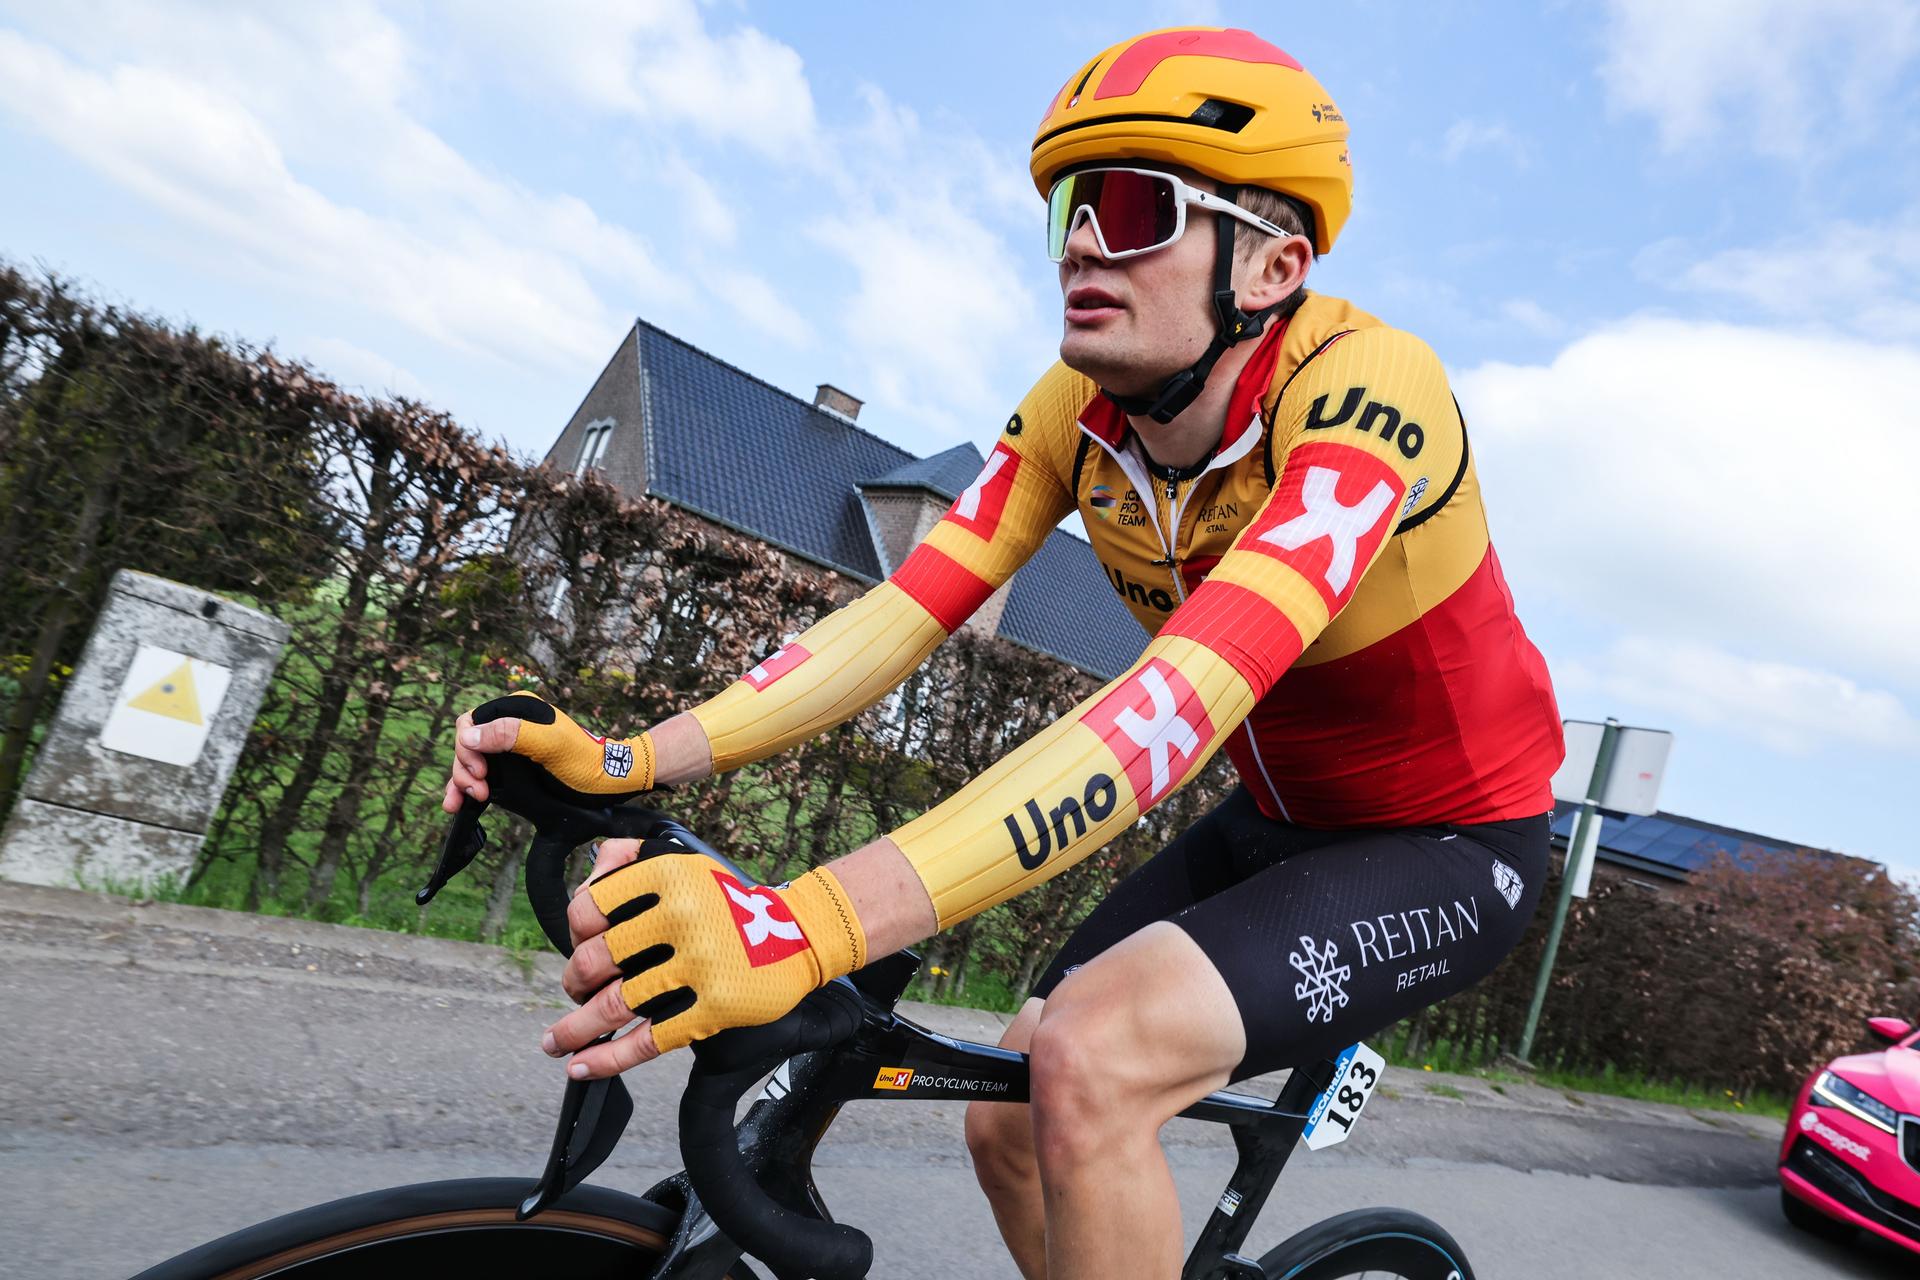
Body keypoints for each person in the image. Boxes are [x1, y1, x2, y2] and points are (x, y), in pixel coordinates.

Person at [444, 25, 1563, 1279]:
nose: (1083, 241)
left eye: (1134, 208)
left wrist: (810, 920)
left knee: (1092, 1058)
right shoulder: (1075, 414)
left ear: (1271, 264)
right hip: (1274, 818)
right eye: (1071, 210)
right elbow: (897, 616)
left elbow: (1175, 703)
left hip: (1449, 840)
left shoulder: (1369, 392)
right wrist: (630, 757)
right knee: (1010, 1111)